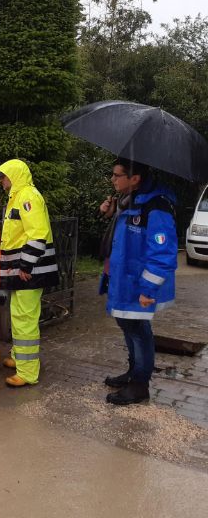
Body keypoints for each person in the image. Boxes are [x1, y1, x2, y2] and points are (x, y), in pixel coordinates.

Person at [101, 158, 177, 405]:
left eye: (116, 175)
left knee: (139, 331)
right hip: (123, 280)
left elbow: (163, 253)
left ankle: (140, 385)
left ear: (135, 179)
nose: (112, 179)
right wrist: (110, 214)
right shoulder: (128, 201)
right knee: (127, 325)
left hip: (138, 285)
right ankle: (133, 372)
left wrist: (148, 289)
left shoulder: (156, 206)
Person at [0, 159, 59, 387]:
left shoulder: (27, 197)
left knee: (24, 319)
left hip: (29, 271)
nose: (1, 180)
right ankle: (18, 358)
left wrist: (26, 266)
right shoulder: (20, 196)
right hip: (23, 270)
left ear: (14, 176)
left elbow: (37, 233)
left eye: (3, 176)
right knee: (19, 316)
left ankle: (27, 372)